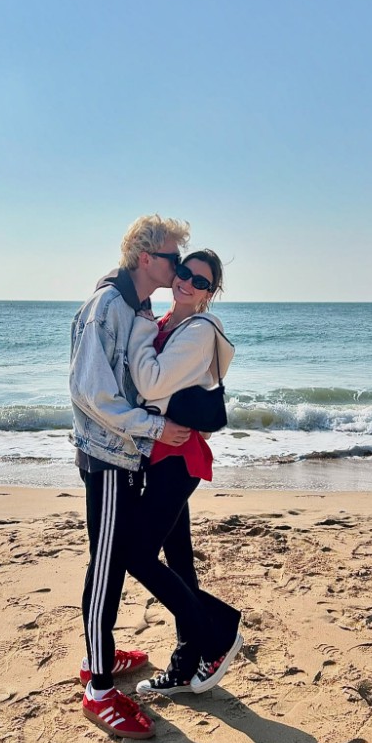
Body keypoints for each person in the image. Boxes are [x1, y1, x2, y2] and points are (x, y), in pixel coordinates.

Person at [69, 214, 191, 739]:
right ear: (146, 258)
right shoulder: (107, 307)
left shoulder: (134, 305)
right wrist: (155, 429)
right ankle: (98, 688)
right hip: (111, 455)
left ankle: (104, 653)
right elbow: (92, 394)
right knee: (106, 564)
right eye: (173, 257)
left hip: (126, 452)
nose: (179, 267)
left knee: (113, 557)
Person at [124, 250, 243, 697]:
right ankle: (185, 661)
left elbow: (152, 386)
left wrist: (137, 327)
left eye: (201, 282)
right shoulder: (163, 325)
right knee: (179, 565)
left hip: (177, 459)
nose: (188, 283)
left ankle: (220, 630)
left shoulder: (197, 332)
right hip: (159, 453)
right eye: (185, 273)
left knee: (135, 555)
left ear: (210, 294)